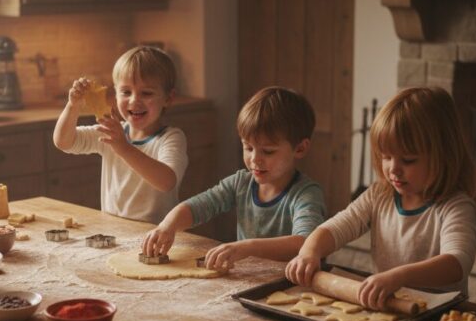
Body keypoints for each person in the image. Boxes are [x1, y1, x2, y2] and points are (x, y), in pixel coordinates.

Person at [285, 86, 476, 308]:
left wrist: (399, 276)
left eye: (408, 160)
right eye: (386, 157)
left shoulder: (455, 207)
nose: (393, 169)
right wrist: (310, 252)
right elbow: (337, 226)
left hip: (441, 318)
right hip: (390, 309)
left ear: (443, 155)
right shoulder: (380, 195)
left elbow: (456, 264)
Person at [142, 86, 325, 269]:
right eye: (248, 148)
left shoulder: (306, 194)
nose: (254, 159)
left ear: (300, 149)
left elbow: (306, 242)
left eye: (268, 151)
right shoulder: (241, 183)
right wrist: (167, 226)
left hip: (290, 284)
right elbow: (200, 205)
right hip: (251, 278)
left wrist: (247, 247)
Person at [53, 46, 187, 223]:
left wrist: (124, 148)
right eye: (126, 92)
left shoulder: (170, 138)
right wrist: (73, 106)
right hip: (114, 230)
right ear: (115, 94)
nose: (134, 101)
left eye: (146, 93)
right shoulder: (111, 132)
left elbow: (167, 182)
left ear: (168, 98)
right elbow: (63, 142)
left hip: (156, 237)